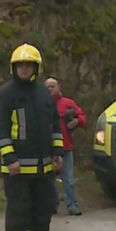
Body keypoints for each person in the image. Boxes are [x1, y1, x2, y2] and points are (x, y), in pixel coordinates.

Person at [0, 44, 64, 231]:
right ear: (14, 68)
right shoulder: (6, 94)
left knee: (42, 210)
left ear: (36, 67)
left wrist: (58, 153)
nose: (24, 68)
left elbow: (55, 125)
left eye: (28, 64)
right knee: (19, 211)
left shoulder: (43, 93)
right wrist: (10, 158)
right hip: (18, 169)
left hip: (44, 168)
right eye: (20, 65)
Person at [44, 76, 86, 216]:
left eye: (53, 86)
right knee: (48, 179)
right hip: (45, 148)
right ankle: (51, 205)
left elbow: (82, 117)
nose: (50, 89)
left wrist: (76, 121)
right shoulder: (40, 103)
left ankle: (72, 205)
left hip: (65, 147)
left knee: (68, 178)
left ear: (58, 87)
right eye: (48, 86)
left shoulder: (67, 103)